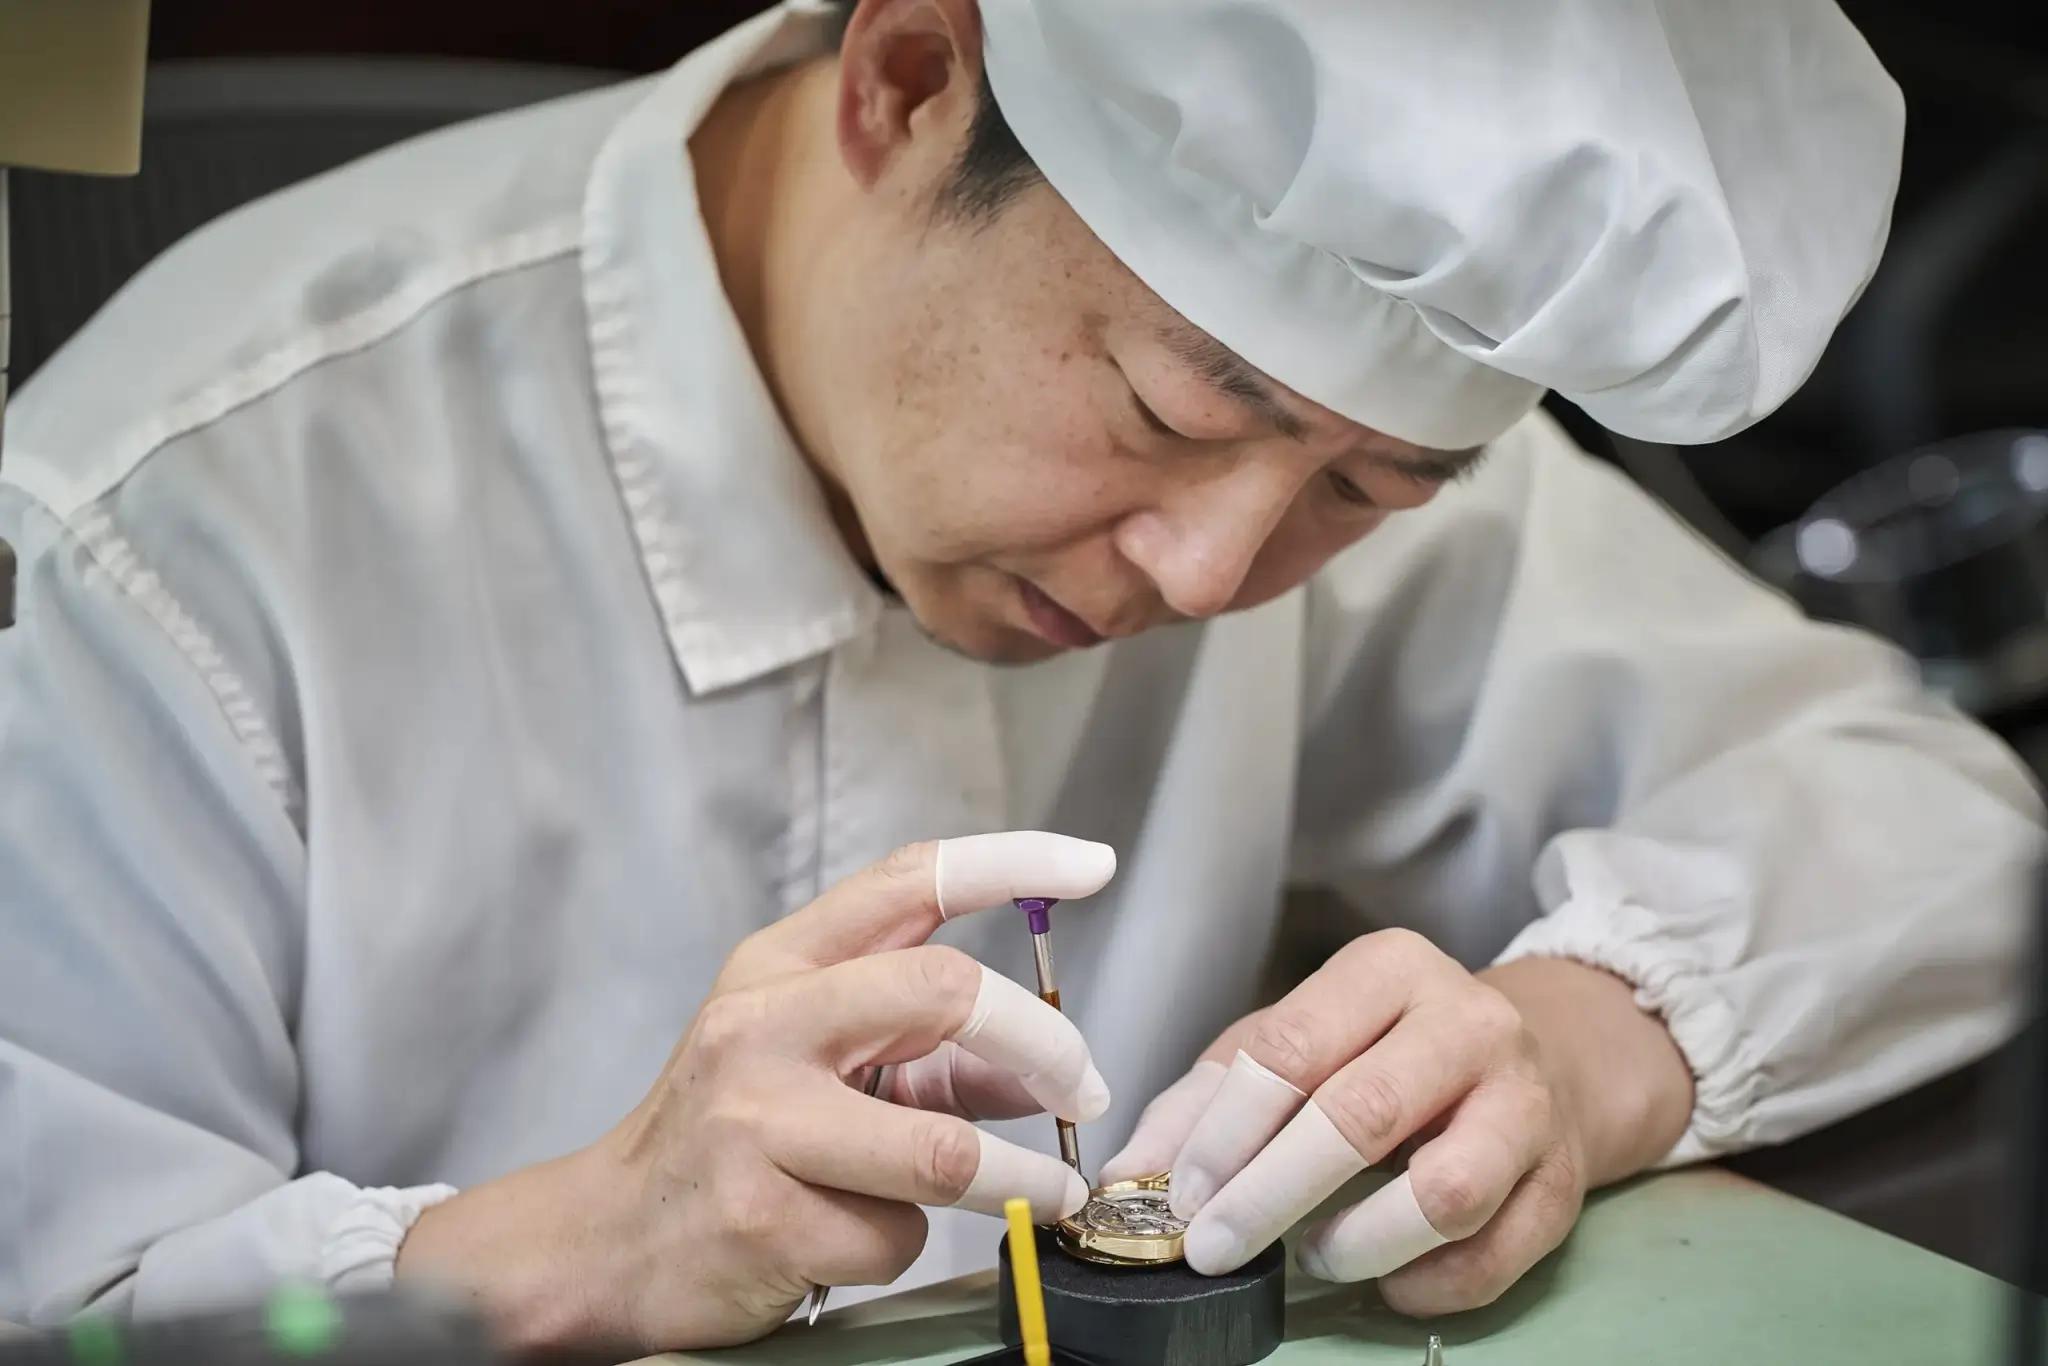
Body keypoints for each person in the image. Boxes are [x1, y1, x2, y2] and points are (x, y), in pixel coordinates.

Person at [0, 0, 2039, 1353]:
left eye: (1364, 489)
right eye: (1165, 411)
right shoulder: (172, 530)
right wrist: (577, 1245)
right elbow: (58, 1297)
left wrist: (1568, 1048)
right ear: (905, 80)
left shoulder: (1313, 445)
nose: (1214, 574)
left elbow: (1922, 814)